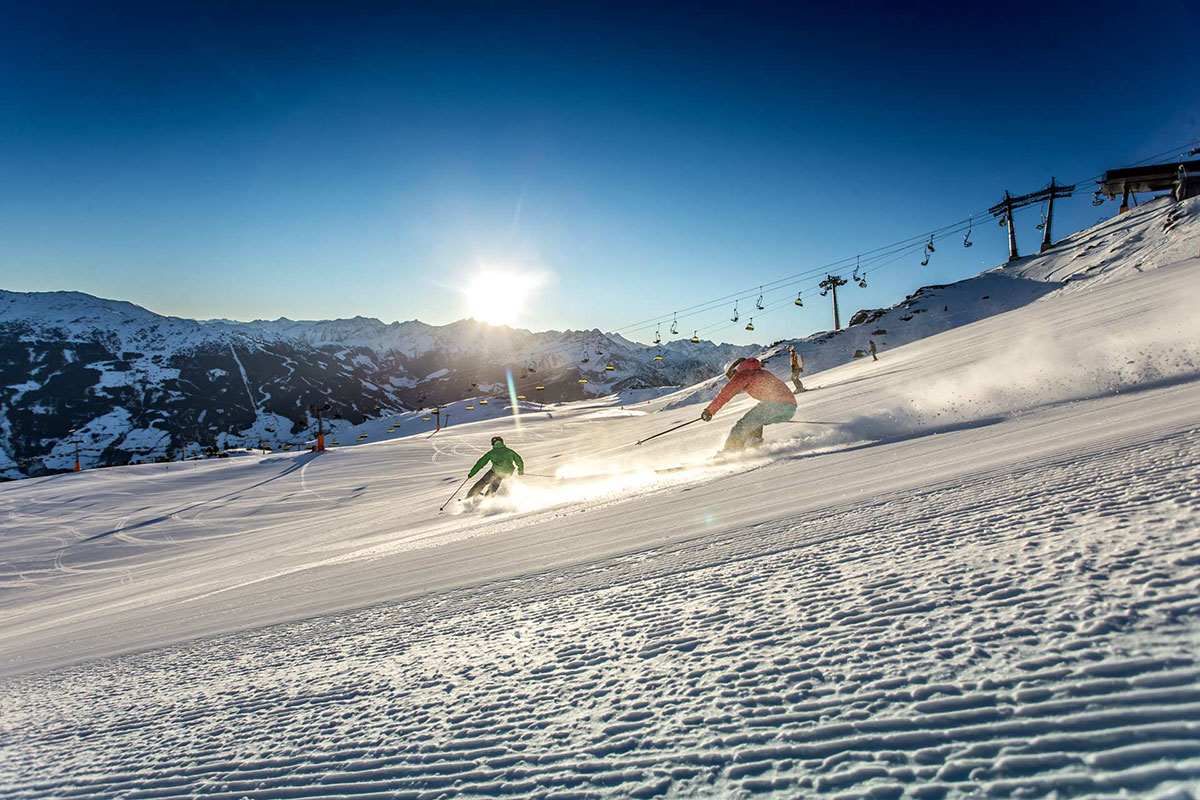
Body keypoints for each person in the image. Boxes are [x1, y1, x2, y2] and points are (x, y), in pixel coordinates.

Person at [701, 357, 796, 452]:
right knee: (755, 421)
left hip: (775, 404)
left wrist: (710, 411)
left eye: (731, 376)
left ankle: (730, 453)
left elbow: (725, 394)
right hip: (790, 407)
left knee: (742, 426)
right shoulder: (761, 372)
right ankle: (753, 445)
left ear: (734, 369)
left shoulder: (743, 374)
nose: (732, 379)